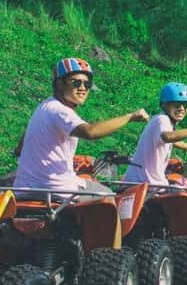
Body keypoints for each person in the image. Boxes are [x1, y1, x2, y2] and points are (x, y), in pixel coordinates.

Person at [14, 58, 149, 198]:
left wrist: (19, 151)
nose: (83, 88)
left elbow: (23, 143)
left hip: (26, 186)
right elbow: (90, 132)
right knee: (110, 197)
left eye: (87, 83)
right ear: (60, 84)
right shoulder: (60, 111)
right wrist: (130, 117)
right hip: (56, 188)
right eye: (76, 82)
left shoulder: (44, 106)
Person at [123, 82, 187, 187]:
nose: (182, 108)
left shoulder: (161, 120)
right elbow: (168, 137)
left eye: (186, 105)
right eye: (177, 104)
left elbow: (171, 138)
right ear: (164, 104)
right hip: (146, 184)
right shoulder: (162, 120)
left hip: (142, 182)